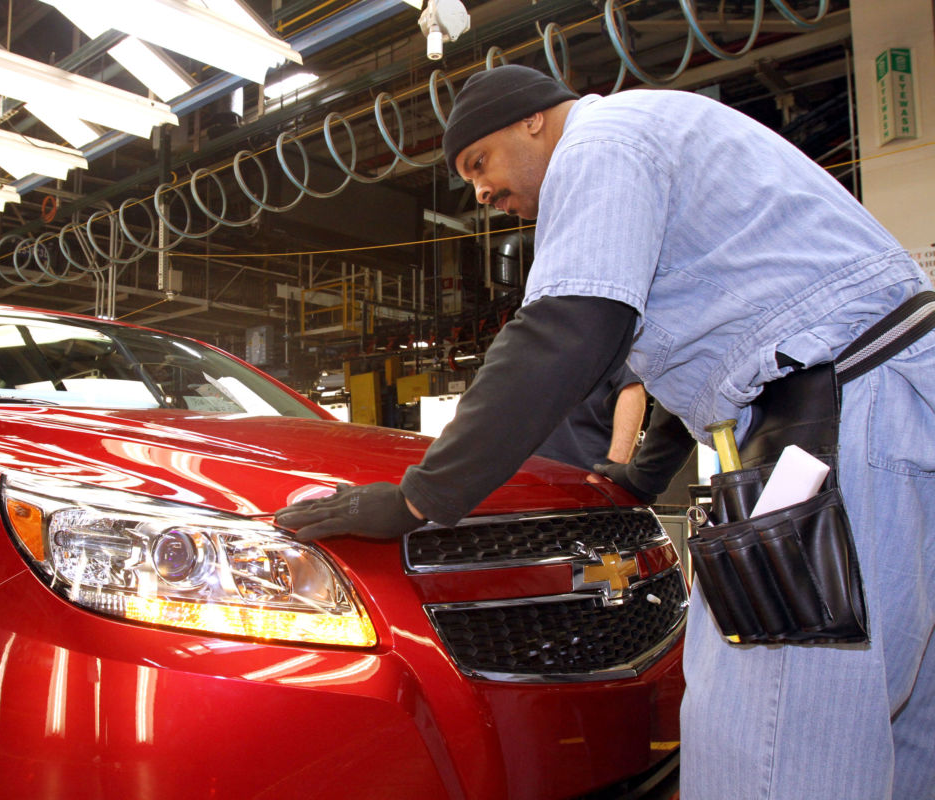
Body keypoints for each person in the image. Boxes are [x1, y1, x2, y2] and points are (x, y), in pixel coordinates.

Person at [274, 64, 935, 799]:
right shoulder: (662, 135)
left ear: (534, 120)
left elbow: (567, 327)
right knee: (896, 733)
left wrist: (418, 499)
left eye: (479, 163)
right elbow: (727, 352)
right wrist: (641, 481)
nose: (480, 194)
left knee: (777, 738)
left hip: (837, 420)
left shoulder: (602, 142)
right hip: (893, 414)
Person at [535, 364, 644, 471]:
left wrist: (613, 467)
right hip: (528, 467)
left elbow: (632, 389)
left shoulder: (609, 346)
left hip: (582, 469)